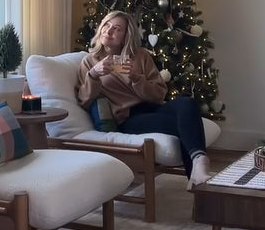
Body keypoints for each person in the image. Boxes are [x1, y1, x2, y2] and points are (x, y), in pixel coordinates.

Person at [76, 10, 211, 187]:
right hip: (128, 117)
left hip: (153, 106)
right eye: (106, 25)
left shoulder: (140, 56)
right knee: (184, 125)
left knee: (188, 103)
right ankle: (199, 179)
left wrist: (136, 78)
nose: (108, 31)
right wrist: (94, 75)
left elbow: (159, 94)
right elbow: (84, 99)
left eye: (117, 28)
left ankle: (199, 161)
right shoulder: (89, 62)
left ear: (126, 36)